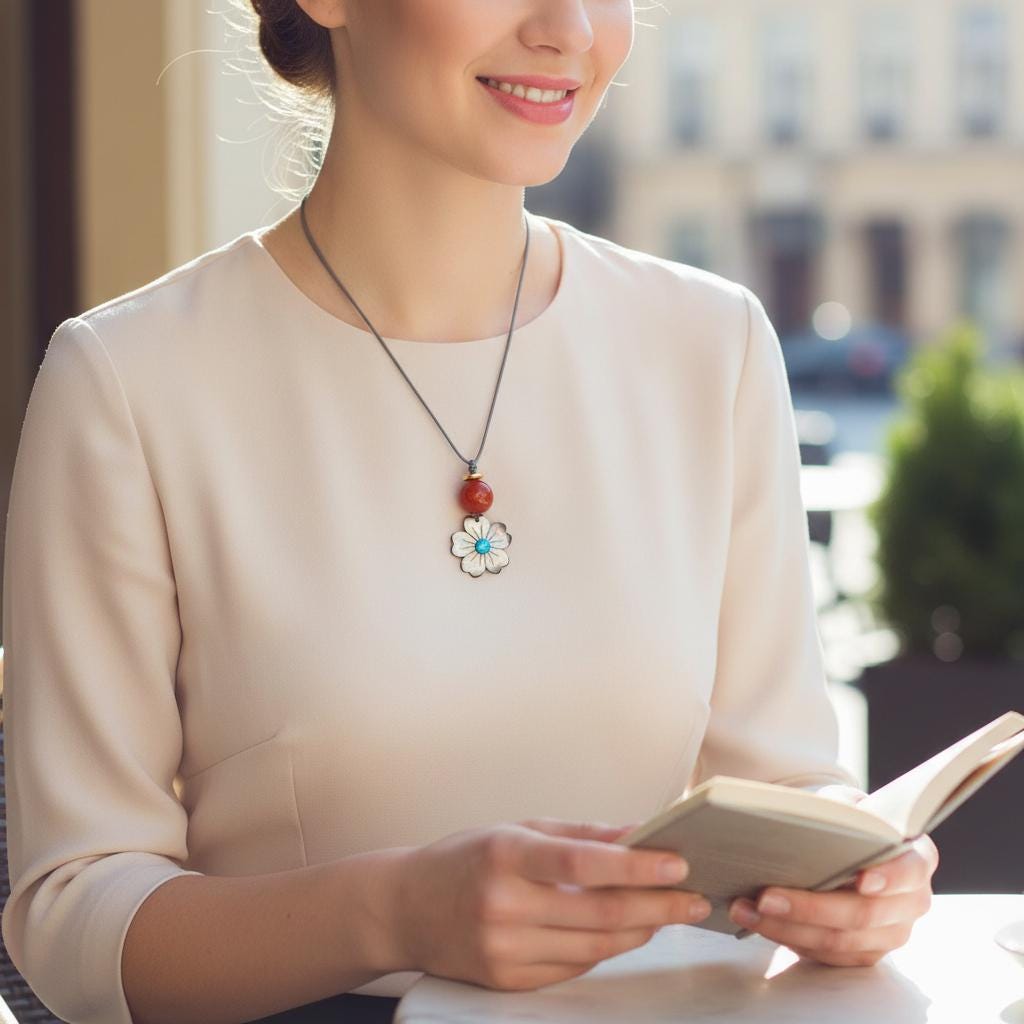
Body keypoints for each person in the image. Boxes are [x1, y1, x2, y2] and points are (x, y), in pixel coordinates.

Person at [0, 1, 938, 1022]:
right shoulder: (130, 383)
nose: (569, 28)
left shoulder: (713, 346)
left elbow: (793, 787)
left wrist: (856, 873)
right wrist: (394, 913)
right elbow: (74, 917)